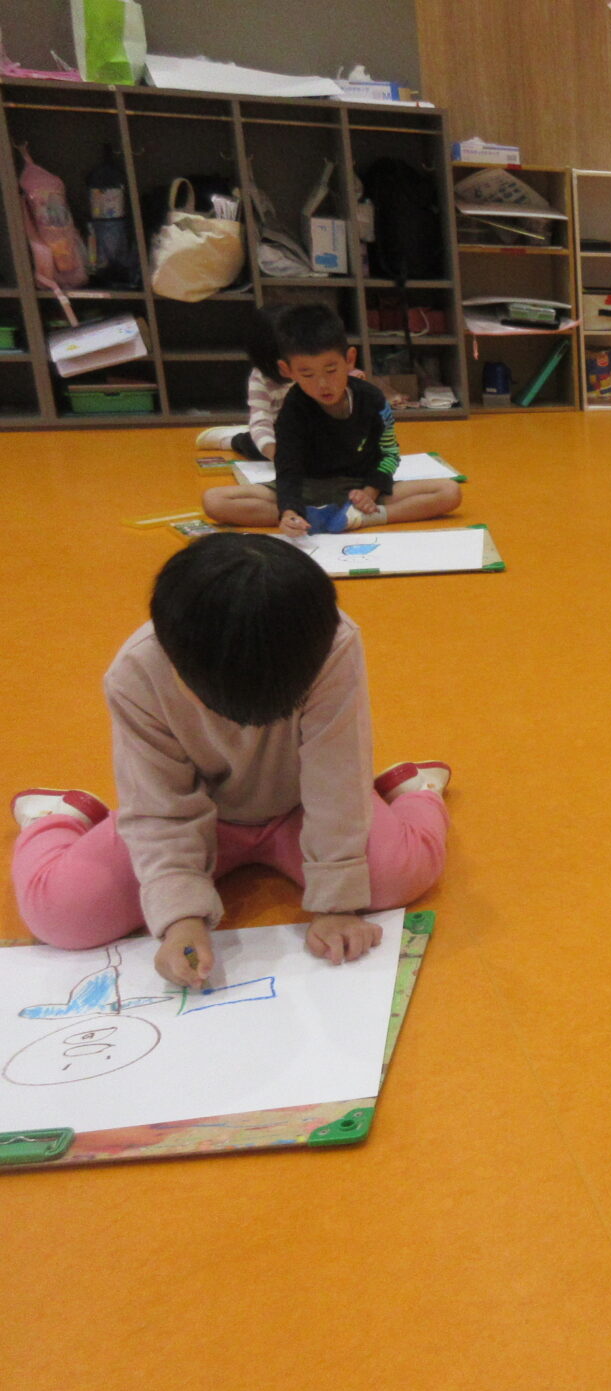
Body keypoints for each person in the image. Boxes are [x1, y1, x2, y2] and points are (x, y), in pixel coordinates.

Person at [9, 534, 450, 982]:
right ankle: (55, 816)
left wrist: (337, 904)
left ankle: (417, 791)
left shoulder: (330, 645)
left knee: (399, 878)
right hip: (196, 817)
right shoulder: (137, 673)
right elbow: (159, 806)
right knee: (61, 915)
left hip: (298, 807)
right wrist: (180, 916)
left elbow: (336, 776)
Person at [198, 305, 461, 534]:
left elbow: (389, 452)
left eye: (331, 370)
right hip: (307, 488)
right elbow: (287, 467)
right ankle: (313, 517)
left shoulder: (372, 399)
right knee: (215, 501)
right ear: (287, 370)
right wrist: (289, 510)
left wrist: (370, 492)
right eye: (307, 374)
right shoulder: (293, 408)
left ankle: (364, 517)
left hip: (360, 487)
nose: (323, 384)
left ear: (349, 360)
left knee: (449, 492)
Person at [194, 303, 291, 463]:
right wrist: (276, 455)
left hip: (300, 433)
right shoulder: (261, 377)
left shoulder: (312, 371)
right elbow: (261, 420)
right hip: (274, 432)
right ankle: (231, 439)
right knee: (255, 446)